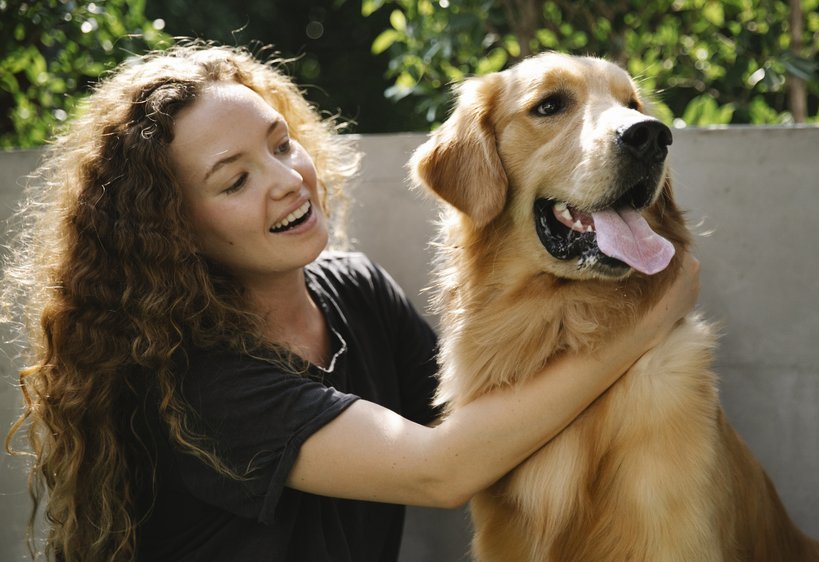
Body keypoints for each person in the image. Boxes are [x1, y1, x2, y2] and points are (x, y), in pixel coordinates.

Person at [2, 43, 700, 562]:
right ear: (173, 229)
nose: (285, 180)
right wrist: (652, 314)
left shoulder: (354, 290)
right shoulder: (196, 382)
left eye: (281, 145)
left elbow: (495, 419)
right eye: (234, 180)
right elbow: (443, 467)